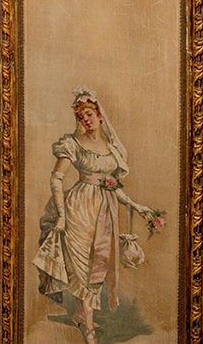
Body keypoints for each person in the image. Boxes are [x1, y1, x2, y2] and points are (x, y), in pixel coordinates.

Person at [34, 88, 159, 344]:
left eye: (89, 114)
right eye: (81, 117)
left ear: (99, 115)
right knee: (82, 265)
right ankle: (89, 327)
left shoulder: (112, 148)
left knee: (98, 264)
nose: (86, 120)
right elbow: (57, 179)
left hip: (105, 211)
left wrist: (135, 205)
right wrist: (61, 214)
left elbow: (111, 183)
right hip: (79, 208)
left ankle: (82, 314)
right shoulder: (73, 144)